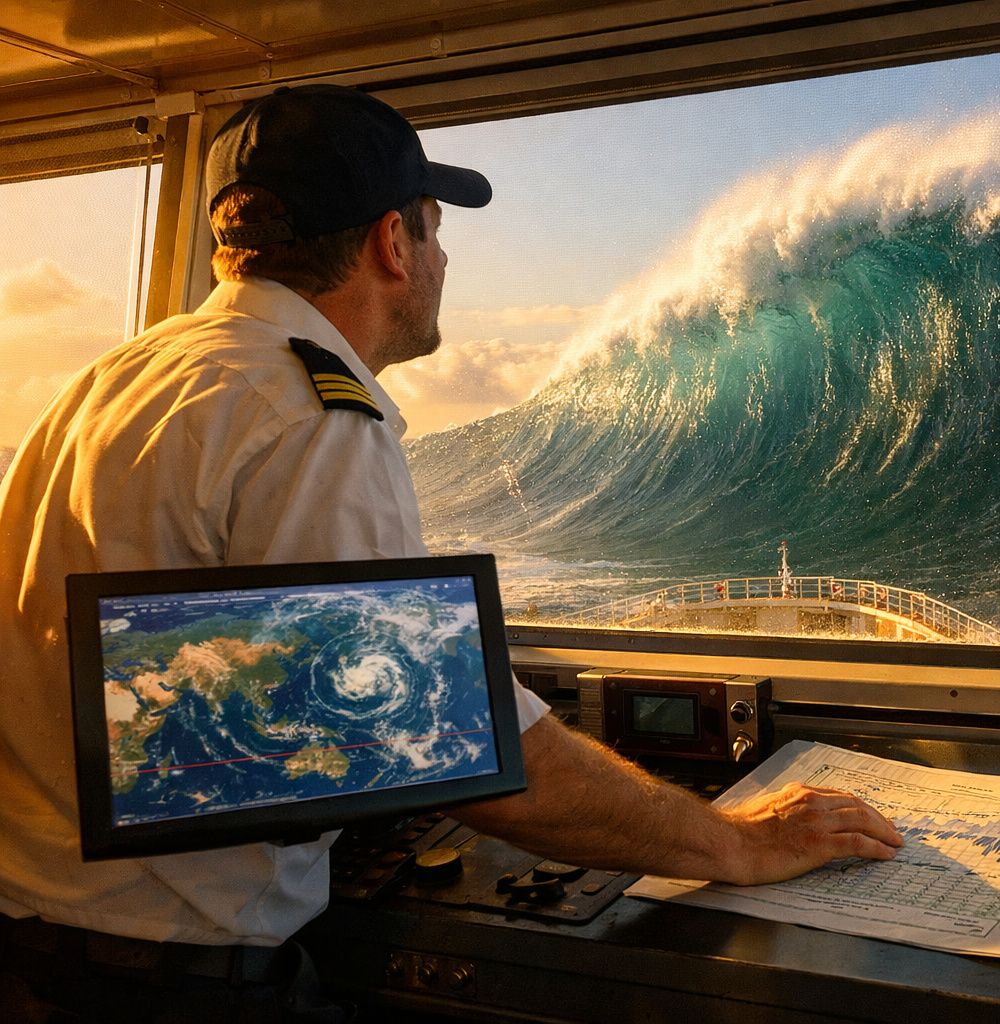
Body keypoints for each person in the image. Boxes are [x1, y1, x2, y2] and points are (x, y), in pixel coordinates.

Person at [0, 84, 902, 1022]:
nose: (443, 258)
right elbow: (445, 745)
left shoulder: (111, 380)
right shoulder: (312, 418)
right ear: (393, 242)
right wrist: (735, 842)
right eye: (434, 230)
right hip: (156, 981)